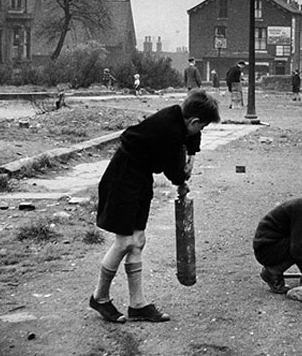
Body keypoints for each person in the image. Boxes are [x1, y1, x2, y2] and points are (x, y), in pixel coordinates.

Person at [89, 90, 220, 323]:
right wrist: (183, 180)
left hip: (140, 178)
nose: (200, 132)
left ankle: (137, 305)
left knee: (138, 240)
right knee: (125, 242)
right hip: (122, 178)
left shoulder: (180, 117)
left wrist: (191, 157)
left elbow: (191, 140)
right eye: (202, 127)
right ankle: (99, 297)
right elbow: (174, 172)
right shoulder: (169, 130)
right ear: (194, 121)